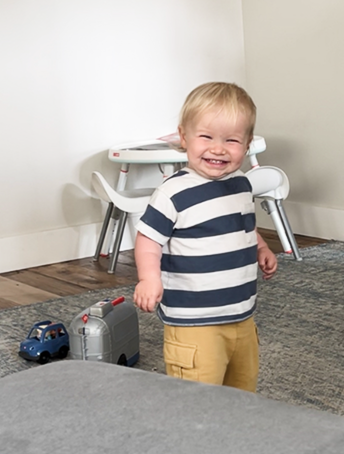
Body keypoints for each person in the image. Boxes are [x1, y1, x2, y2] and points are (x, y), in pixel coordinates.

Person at [133, 82, 277, 392]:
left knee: (242, 391)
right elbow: (148, 239)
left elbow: (244, 224)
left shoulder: (240, 184)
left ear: (248, 143)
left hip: (241, 316)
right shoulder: (173, 193)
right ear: (184, 137)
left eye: (232, 140)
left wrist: (261, 247)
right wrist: (149, 278)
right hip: (194, 324)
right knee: (198, 398)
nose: (218, 148)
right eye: (206, 137)